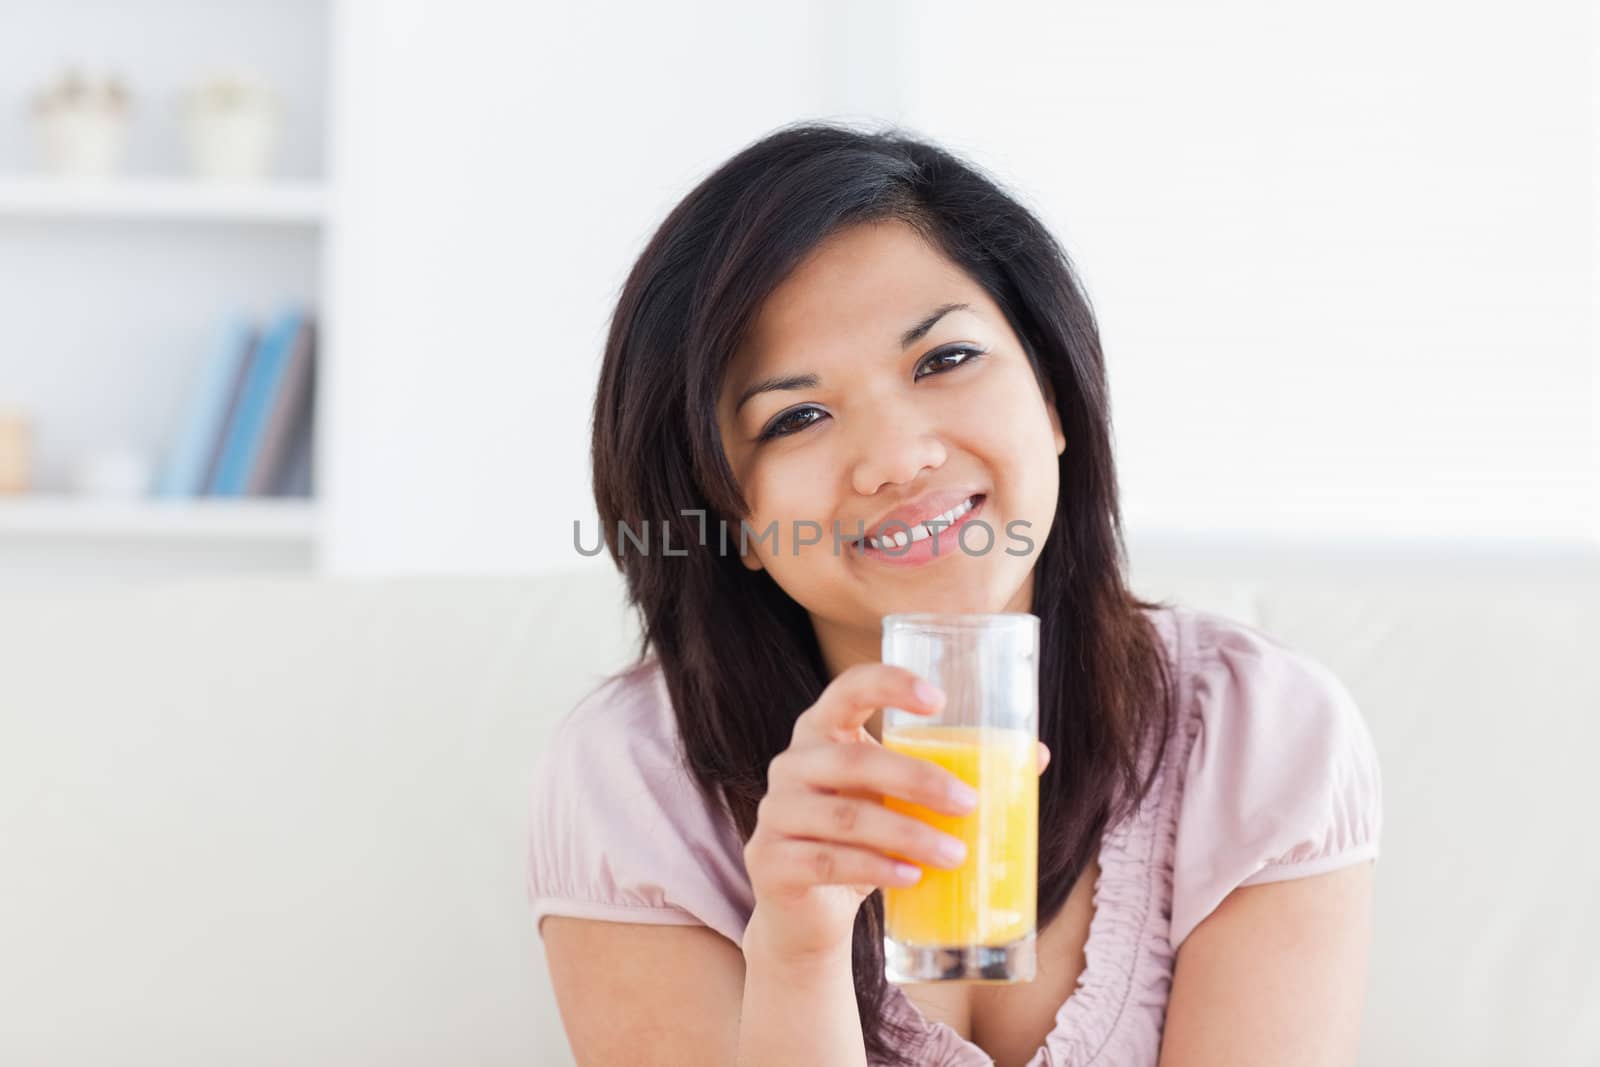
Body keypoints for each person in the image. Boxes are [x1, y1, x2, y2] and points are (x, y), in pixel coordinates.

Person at [528, 121, 1382, 1066]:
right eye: (797, 416)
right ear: (731, 519)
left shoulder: (1259, 733)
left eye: (943, 359)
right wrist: (799, 952)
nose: (898, 458)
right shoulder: (635, 780)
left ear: (1053, 396)